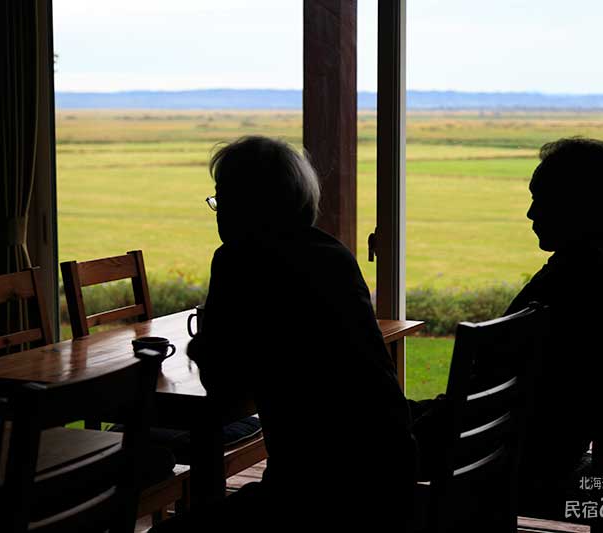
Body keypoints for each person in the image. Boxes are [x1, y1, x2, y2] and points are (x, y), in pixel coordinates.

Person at [153, 136, 416, 532]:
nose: (219, 212)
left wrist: (202, 343)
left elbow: (222, 386)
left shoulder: (240, 259)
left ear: (250, 203)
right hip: (391, 470)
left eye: (222, 198)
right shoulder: (332, 253)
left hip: (315, 494)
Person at [410, 137, 603, 496]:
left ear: (577, 204)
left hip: (508, 453)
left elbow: (487, 379)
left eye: (542, 199)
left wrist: (423, 423)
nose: (531, 213)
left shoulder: (574, 280)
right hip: (552, 442)